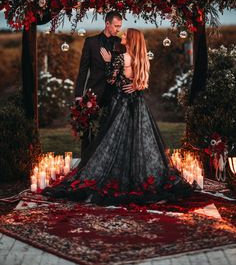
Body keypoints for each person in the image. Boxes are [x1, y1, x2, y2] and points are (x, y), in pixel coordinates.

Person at [43, 28, 192, 205]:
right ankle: (137, 174)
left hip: (120, 103)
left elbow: (111, 80)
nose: (121, 36)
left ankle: (116, 173)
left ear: (130, 40)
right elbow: (142, 83)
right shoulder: (142, 60)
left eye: (125, 35)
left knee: (113, 140)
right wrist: (136, 85)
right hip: (138, 105)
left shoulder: (122, 58)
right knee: (138, 140)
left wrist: (108, 61)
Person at [74, 11, 125, 161]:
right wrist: (78, 95)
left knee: (111, 130)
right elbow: (83, 70)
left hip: (114, 93)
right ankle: (86, 162)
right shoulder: (91, 42)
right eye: (116, 26)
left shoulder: (121, 42)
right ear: (107, 24)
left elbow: (123, 68)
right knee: (89, 132)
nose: (118, 29)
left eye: (120, 26)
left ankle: (109, 162)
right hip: (93, 93)